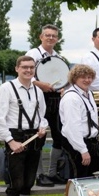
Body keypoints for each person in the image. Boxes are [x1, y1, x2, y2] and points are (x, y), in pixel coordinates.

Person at [0, 56, 48, 196]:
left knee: (28, 183)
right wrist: (10, 141)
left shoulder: (38, 90)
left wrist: (42, 127)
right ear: (17, 68)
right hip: (15, 139)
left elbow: (43, 115)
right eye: (24, 67)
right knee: (15, 184)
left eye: (31, 67)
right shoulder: (6, 88)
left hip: (34, 139)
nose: (28, 70)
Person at [26, 24, 66, 187]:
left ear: (57, 39)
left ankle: (52, 172)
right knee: (39, 136)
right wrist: (40, 84)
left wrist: (63, 87)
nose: (50, 38)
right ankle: (40, 174)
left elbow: (63, 77)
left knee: (59, 136)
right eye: (47, 35)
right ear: (40, 37)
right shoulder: (33, 54)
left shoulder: (57, 56)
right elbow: (25, 75)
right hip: (38, 97)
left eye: (53, 36)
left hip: (55, 99)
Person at [59, 64, 99, 178]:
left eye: (89, 77)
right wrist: (83, 150)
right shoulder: (71, 98)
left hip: (89, 142)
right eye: (83, 77)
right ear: (74, 79)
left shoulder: (89, 93)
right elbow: (72, 128)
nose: (87, 80)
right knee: (80, 181)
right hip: (77, 144)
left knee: (93, 180)